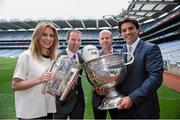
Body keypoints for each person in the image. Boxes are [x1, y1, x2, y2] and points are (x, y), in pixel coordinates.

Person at [115, 18, 164, 119]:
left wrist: (132, 98)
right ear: (121, 34)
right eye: (124, 30)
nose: (127, 32)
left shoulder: (151, 48)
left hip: (144, 109)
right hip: (123, 109)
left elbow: (155, 78)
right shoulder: (120, 53)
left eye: (130, 28)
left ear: (137, 30)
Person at [12, 21, 59, 119]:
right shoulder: (26, 56)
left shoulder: (53, 59)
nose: (48, 38)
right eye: (44, 35)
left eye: (51, 35)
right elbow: (15, 85)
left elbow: (52, 87)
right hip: (30, 113)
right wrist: (39, 79)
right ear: (37, 36)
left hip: (47, 110)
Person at [54, 29, 85, 119]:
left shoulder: (81, 57)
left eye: (79, 40)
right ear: (67, 40)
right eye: (73, 39)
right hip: (62, 102)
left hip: (78, 102)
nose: (77, 42)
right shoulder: (59, 57)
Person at [92, 29, 119, 119]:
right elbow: (91, 75)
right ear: (99, 41)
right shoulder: (94, 57)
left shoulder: (119, 55)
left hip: (116, 94)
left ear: (112, 39)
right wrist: (95, 86)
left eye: (107, 38)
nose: (104, 40)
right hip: (98, 95)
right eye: (102, 38)